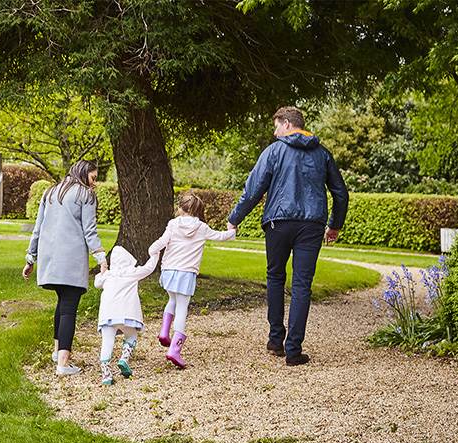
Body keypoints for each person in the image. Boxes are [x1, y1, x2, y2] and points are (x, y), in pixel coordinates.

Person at [228, 106, 348, 366]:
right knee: (302, 285)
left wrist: (234, 218)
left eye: (276, 126)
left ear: (287, 124)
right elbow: (340, 193)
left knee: (275, 277)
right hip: (312, 226)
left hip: (278, 224)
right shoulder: (323, 154)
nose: (274, 133)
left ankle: (275, 340)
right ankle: (293, 350)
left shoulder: (273, 152)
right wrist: (335, 225)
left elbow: (253, 190)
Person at [23, 161, 107, 376]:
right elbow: (90, 230)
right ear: (83, 173)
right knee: (69, 308)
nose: (94, 183)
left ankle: (56, 352)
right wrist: (101, 257)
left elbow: (38, 228)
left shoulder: (50, 192)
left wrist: (30, 258)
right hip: (71, 260)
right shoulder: (85, 195)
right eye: (93, 178)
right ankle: (63, 363)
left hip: (50, 259)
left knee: (62, 304)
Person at [148, 192, 236, 368]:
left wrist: (152, 251)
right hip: (186, 273)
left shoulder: (173, 224)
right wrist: (232, 231)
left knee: (172, 300)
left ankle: (164, 333)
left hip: (169, 270)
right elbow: (219, 236)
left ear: (180, 208)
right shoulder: (201, 227)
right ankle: (174, 350)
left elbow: (162, 242)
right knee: (182, 308)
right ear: (197, 210)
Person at [94, 245, 159, 385]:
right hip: (127, 314)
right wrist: (155, 254)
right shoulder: (132, 272)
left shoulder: (108, 275)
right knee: (131, 335)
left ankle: (106, 375)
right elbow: (149, 268)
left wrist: (102, 271)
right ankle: (124, 359)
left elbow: (97, 284)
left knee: (107, 342)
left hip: (107, 315)